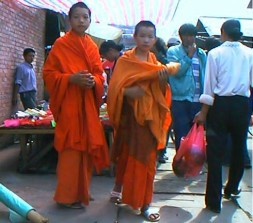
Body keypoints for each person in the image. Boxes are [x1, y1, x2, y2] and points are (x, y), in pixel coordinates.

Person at [107, 20, 179, 222]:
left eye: (150, 36)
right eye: (143, 35)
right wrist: (130, 92)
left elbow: (162, 92)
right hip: (130, 118)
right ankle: (120, 189)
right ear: (135, 38)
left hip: (149, 120)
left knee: (148, 161)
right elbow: (113, 91)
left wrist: (163, 80)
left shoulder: (155, 63)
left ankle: (144, 203)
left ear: (155, 39)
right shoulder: (125, 61)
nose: (146, 40)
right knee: (127, 155)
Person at [43, 2, 109, 209]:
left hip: (87, 106)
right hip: (70, 106)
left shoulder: (91, 45)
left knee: (86, 150)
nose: (82, 21)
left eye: (86, 17)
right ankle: (66, 196)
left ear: (90, 20)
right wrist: (71, 79)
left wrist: (94, 82)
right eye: (77, 17)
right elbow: (49, 74)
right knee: (71, 150)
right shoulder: (61, 45)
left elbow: (99, 74)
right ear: (69, 20)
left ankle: (82, 192)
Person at [194, 19, 253, 213]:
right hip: (242, 105)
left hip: (220, 105)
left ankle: (213, 201)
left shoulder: (215, 53)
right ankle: (232, 188)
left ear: (222, 32)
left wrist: (203, 112)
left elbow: (209, 86)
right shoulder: (250, 53)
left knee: (215, 153)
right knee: (239, 148)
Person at [166, 23, 206, 152]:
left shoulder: (201, 54)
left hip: (197, 100)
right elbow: (177, 72)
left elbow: (204, 75)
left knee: (196, 134)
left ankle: (193, 164)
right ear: (181, 36)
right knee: (181, 133)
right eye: (186, 36)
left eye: (192, 36)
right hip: (180, 99)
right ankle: (181, 163)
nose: (190, 39)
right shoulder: (173, 52)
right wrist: (188, 56)